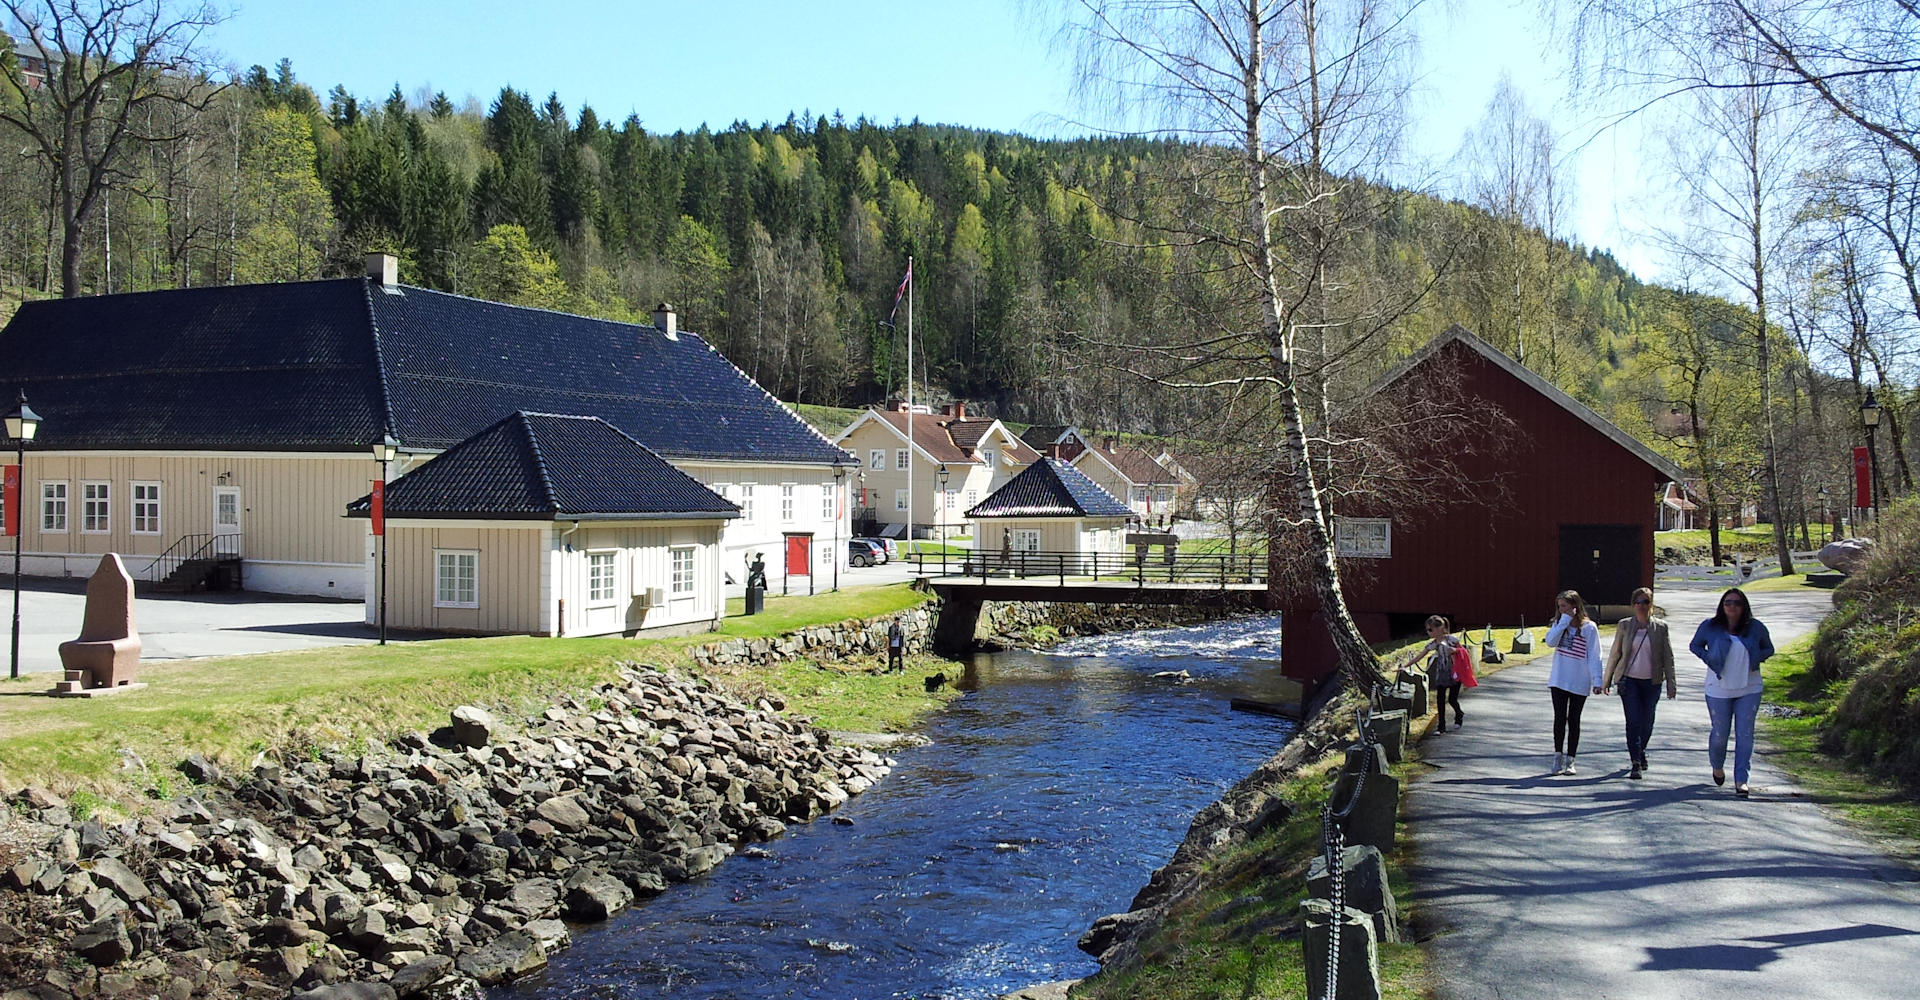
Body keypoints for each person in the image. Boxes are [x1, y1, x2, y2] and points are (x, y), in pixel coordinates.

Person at [1688, 587, 1774, 798]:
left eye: (1736, 602)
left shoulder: (1755, 627)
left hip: (1750, 688)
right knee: (1720, 735)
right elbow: (1695, 645)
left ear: (1743, 606)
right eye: (1728, 602)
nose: (1732, 606)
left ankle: (1741, 780)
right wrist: (1708, 658)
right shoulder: (1710, 626)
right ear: (1722, 606)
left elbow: (1769, 648)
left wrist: (1756, 658)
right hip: (1718, 688)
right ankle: (1717, 766)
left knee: (1745, 735)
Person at [1601, 587, 1677, 780]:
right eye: (1638, 602)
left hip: (1653, 681)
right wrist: (1607, 680)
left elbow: (1667, 656)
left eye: (1646, 602)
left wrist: (1671, 683)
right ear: (1633, 605)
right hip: (1630, 680)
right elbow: (1615, 654)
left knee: (1647, 721)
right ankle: (1635, 761)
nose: (1642, 606)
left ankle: (1641, 749)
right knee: (1633, 721)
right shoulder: (1624, 625)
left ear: (1651, 604)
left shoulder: (1661, 627)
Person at [1543, 590, 1603, 775]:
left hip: (1579, 680)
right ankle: (1557, 756)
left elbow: (1595, 655)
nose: (1562, 610)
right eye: (1559, 607)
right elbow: (1550, 642)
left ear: (1575, 607)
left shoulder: (1589, 628)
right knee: (1559, 718)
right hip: (1559, 679)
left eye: (1565, 607)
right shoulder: (1558, 624)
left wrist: (1597, 679)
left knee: (1574, 720)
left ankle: (1571, 760)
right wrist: (1562, 623)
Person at [1420, 615, 1465, 733]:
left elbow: (1463, 653)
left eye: (1430, 629)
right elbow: (1421, 655)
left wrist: (1454, 650)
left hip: (1455, 673)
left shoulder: (1453, 640)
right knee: (1440, 700)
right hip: (1441, 674)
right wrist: (1405, 666)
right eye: (1427, 630)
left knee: (1452, 699)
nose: (1428, 632)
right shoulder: (1434, 643)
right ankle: (1441, 727)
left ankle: (1459, 714)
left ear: (1440, 628)